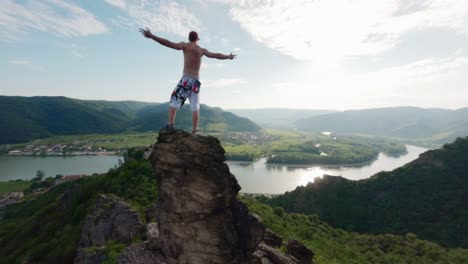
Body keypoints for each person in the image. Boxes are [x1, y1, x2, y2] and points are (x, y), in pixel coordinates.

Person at [139, 28, 237, 133]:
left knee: (173, 102)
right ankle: (194, 129)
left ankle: (171, 125)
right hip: (196, 82)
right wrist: (228, 57)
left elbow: (168, 43)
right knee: (195, 106)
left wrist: (152, 36)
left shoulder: (185, 45)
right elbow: (216, 55)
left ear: (189, 38)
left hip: (186, 79)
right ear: (197, 39)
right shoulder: (201, 50)